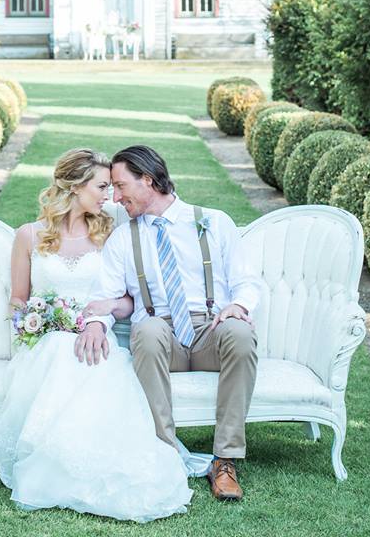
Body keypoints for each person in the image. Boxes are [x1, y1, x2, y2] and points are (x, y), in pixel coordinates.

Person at [0, 147, 192, 522]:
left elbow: (127, 303)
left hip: (97, 338)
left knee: (91, 356)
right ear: (75, 186)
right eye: (101, 186)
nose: (109, 196)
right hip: (44, 343)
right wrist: (40, 319)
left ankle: (95, 460)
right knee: (62, 352)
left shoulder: (110, 234)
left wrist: (101, 314)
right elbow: (17, 300)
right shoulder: (28, 236)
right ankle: (57, 460)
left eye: (112, 188)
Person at [75, 145, 259, 502]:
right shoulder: (123, 238)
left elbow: (247, 281)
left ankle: (225, 460)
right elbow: (106, 294)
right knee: (148, 327)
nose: (115, 196)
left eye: (120, 185)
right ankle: (166, 454)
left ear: (148, 180)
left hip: (210, 331)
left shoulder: (214, 222)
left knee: (240, 331)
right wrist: (95, 323)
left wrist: (237, 305)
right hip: (161, 337)